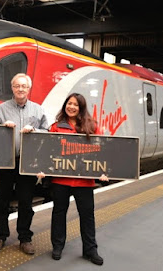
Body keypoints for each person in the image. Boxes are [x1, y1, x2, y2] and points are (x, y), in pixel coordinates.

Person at [38, 93, 108, 265]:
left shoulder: (92, 126)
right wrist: (41, 169)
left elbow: (103, 150)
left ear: (81, 108)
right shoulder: (55, 127)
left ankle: (90, 250)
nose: (72, 107)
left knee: (87, 215)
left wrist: (104, 171)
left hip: (84, 182)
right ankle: (58, 246)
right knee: (59, 214)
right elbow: (47, 151)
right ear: (65, 106)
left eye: (76, 105)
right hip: (60, 181)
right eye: (69, 103)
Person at [0, 73, 49, 255]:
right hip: (5, 162)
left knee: (25, 201)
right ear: (12, 88)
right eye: (17, 86)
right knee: (1, 200)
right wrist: (1, 129)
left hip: (27, 163)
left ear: (29, 89)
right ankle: (0, 235)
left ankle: (25, 237)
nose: (20, 89)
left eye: (24, 86)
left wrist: (35, 130)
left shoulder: (38, 110)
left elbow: (47, 133)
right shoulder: (1, 109)